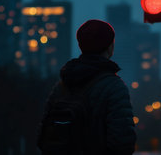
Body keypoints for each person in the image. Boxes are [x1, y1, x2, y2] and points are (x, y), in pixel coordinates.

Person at [37, 19, 136, 155]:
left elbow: (44, 134)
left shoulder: (62, 85)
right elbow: (123, 143)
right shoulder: (114, 87)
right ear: (110, 47)